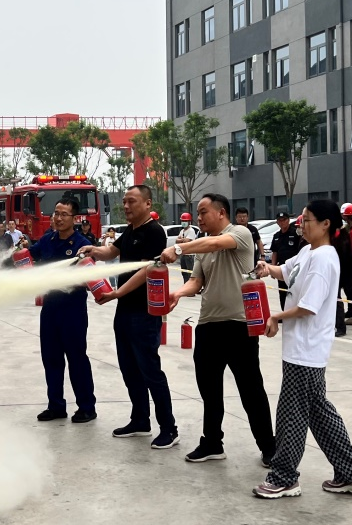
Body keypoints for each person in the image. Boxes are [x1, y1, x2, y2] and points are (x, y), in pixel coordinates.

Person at [252, 200, 352, 499]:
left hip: (307, 350)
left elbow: (308, 306)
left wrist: (277, 316)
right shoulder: (309, 252)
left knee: (291, 414)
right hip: (299, 348)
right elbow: (286, 271)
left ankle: (284, 477)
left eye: (307, 220)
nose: (301, 224)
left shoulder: (325, 259)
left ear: (326, 225)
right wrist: (268, 268)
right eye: (301, 219)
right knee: (319, 413)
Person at [158, 193, 274, 465]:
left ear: (221, 213)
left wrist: (178, 248)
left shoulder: (240, 233)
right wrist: (178, 293)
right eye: (197, 214)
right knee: (209, 390)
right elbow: (197, 281)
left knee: (251, 390)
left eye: (203, 212)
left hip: (239, 325)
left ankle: (269, 446)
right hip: (209, 325)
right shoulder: (203, 248)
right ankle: (212, 442)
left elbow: (214, 243)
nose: (199, 218)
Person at [79, 185, 178, 449]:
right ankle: (140, 420)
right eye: (124, 202)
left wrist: (116, 292)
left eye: (131, 201)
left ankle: (169, 427)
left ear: (147, 204)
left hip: (144, 312)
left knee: (150, 370)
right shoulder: (130, 232)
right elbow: (111, 253)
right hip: (124, 311)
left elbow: (147, 269)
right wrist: (93, 250)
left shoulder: (154, 232)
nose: (126, 206)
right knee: (128, 367)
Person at [26, 200, 97, 423]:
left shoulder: (82, 244)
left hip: (72, 310)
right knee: (51, 358)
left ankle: (86, 407)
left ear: (74, 219)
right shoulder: (48, 239)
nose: (58, 218)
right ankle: (56, 405)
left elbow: (89, 276)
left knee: (77, 359)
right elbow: (31, 254)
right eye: (56, 213)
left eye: (64, 214)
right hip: (50, 308)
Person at [269, 210, 305, 309]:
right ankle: (284, 312)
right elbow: (274, 252)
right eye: (279, 220)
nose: (282, 222)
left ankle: (294, 311)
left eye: (284, 220)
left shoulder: (295, 232)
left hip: (295, 267)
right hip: (281, 267)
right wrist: (272, 267)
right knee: (282, 291)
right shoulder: (276, 236)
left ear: (288, 220)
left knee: (294, 290)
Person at [175, 212, 200, 283]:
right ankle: (186, 286)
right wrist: (183, 239)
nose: (183, 222)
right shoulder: (182, 231)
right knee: (184, 272)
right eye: (183, 221)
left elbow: (187, 241)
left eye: (185, 221)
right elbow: (177, 241)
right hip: (183, 254)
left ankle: (191, 290)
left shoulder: (191, 231)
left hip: (189, 255)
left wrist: (181, 239)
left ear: (189, 222)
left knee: (190, 273)